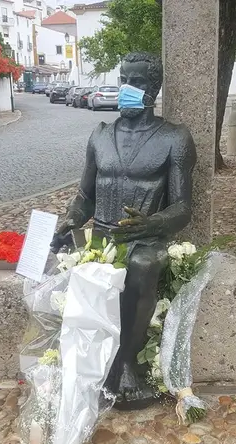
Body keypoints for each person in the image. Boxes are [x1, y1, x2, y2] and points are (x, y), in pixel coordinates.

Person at [50, 51, 197, 409]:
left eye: (137, 82)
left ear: (152, 90)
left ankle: (127, 360)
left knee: (144, 268)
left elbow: (182, 208)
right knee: (79, 267)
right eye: (123, 80)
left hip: (145, 237)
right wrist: (72, 217)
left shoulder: (175, 139)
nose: (126, 89)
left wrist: (154, 223)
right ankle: (89, 360)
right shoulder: (100, 135)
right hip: (102, 235)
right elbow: (85, 194)